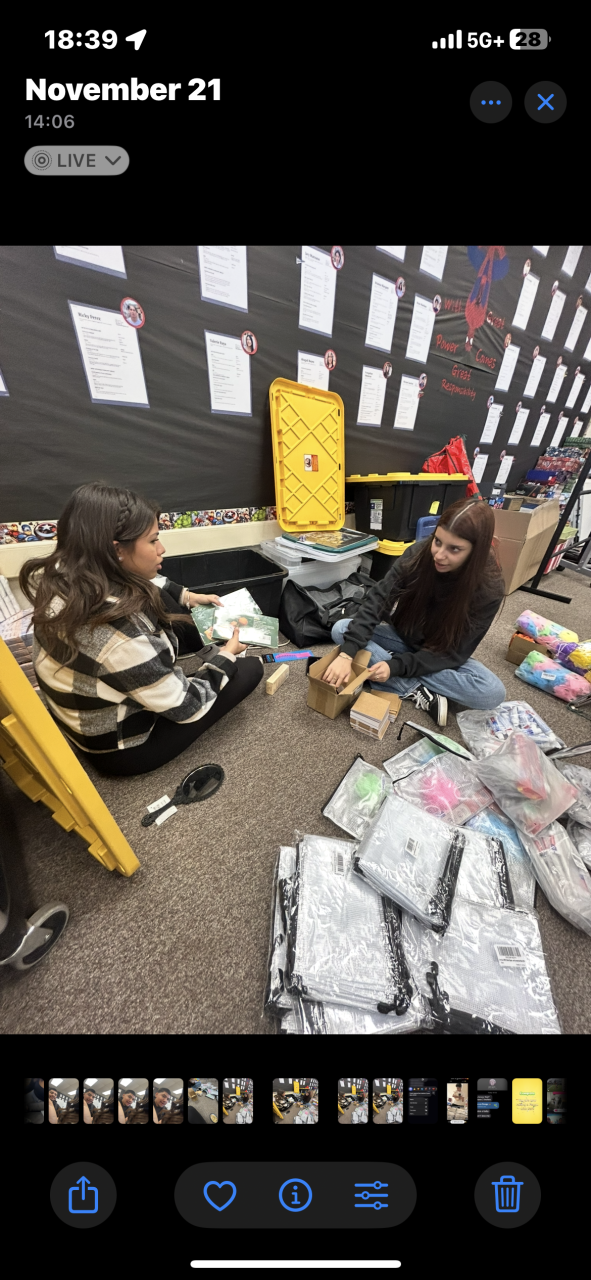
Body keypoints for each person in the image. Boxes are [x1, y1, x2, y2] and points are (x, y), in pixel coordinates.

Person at [20, 483, 263, 776]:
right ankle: (214, 658)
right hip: (120, 749)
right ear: (116, 550)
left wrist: (188, 596)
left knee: (160, 594)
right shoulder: (122, 638)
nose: (162, 549)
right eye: (153, 540)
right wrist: (227, 656)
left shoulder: (66, 575)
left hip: (84, 714)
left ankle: (194, 662)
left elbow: (155, 582)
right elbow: (188, 707)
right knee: (249, 670)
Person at [324, 497, 506, 727]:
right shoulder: (419, 554)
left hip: (441, 653)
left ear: (475, 552)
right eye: (437, 541)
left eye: (454, 549)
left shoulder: (489, 588)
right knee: (342, 629)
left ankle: (400, 676)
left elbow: (456, 654)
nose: (439, 555)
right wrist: (346, 655)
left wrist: (395, 666)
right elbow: (378, 600)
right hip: (404, 637)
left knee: (492, 692)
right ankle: (414, 688)